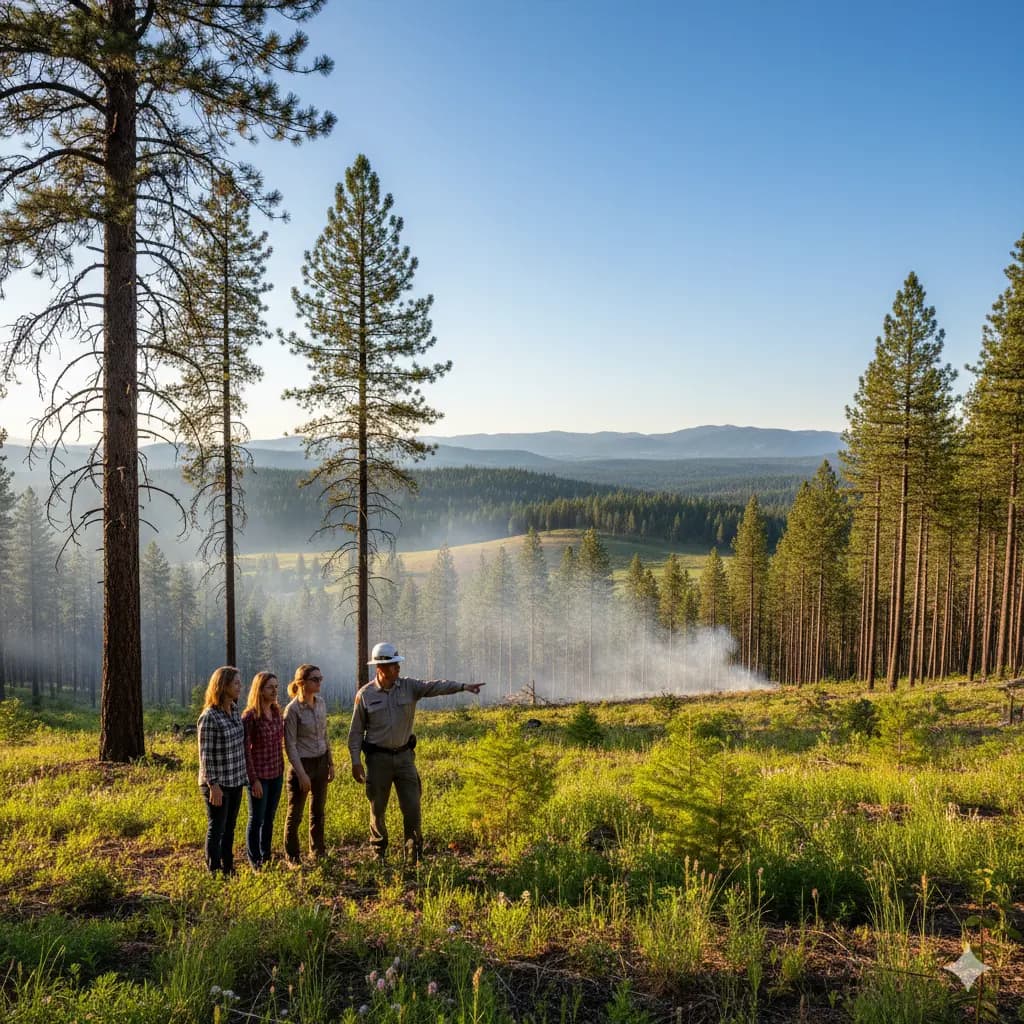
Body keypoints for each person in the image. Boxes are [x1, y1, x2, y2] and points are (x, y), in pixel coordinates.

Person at [347, 642, 485, 864]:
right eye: (393, 665)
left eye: (398, 664)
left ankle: (414, 854)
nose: (398, 669)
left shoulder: (409, 687)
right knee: (377, 808)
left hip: (404, 758)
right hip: (377, 760)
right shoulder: (365, 695)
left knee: (412, 806)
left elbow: (435, 686)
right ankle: (378, 852)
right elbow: (355, 732)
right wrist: (355, 761)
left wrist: (463, 686)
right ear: (380, 668)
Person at [197, 665, 249, 874]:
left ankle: (228, 866)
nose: (240, 687)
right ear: (223, 685)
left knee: (230, 828)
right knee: (217, 827)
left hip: (235, 779)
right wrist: (213, 786)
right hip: (217, 784)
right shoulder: (209, 717)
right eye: (236, 683)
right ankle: (214, 868)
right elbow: (205, 755)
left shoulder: (234, 710)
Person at [283, 663, 334, 864]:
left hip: (321, 762)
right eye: (315, 679)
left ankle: (318, 851)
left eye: (321, 679)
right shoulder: (292, 710)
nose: (319, 682)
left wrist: (330, 762)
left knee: (318, 812)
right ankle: (293, 857)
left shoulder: (320, 703)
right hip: (301, 765)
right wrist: (301, 774)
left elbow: (324, 734)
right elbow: (290, 745)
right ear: (302, 683)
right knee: (295, 814)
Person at [242, 671, 285, 868]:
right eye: (270, 687)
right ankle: (254, 860)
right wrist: (253, 780)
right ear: (260, 690)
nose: (275, 690)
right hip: (259, 776)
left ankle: (266, 856)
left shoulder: (277, 712)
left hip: (276, 773)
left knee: (269, 818)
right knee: (256, 818)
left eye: (276, 686)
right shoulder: (250, 716)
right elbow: (245, 751)